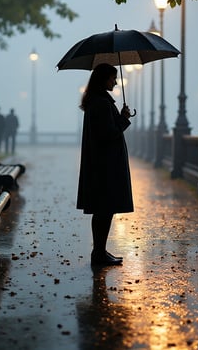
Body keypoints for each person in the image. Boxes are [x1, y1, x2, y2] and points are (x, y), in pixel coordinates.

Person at [77, 63, 134, 266]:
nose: (116, 82)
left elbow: (106, 130)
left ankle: (99, 251)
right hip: (105, 166)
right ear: (103, 79)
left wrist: (120, 118)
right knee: (104, 209)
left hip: (102, 164)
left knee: (103, 209)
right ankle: (99, 253)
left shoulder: (98, 101)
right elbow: (108, 133)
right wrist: (123, 119)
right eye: (112, 78)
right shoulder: (101, 103)